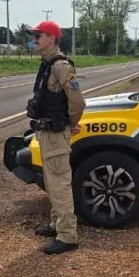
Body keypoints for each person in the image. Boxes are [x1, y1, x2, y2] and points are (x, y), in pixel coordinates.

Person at [25, 20, 85, 255]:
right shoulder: (47, 65)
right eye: (34, 35)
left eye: (39, 35)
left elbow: (78, 101)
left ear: (51, 37)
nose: (35, 39)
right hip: (46, 133)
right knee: (51, 181)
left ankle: (68, 236)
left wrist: (71, 125)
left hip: (56, 134)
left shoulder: (61, 67)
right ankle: (56, 224)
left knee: (59, 183)